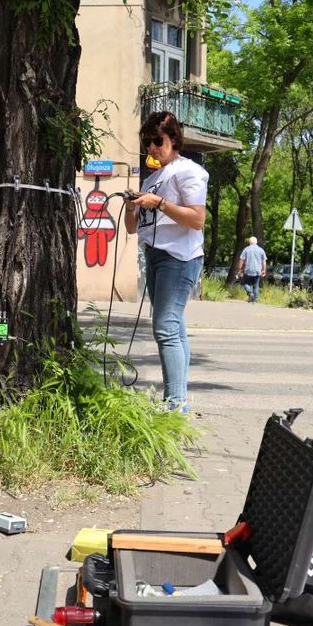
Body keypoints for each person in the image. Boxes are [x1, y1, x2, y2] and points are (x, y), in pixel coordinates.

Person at [124, 112, 208, 413]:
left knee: (165, 327)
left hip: (179, 257)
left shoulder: (189, 171)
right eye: (147, 142)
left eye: (158, 140)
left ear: (174, 140)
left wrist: (159, 202)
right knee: (174, 328)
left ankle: (175, 404)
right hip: (155, 255)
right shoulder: (152, 178)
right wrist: (132, 206)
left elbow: (197, 219)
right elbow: (133, 229)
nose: (152, 148)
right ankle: (179, 400)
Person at [237, 237, 267, 303]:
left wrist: (240, 268)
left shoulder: (246, 249)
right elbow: (264, 261)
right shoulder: (261, 250)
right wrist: (264, 270)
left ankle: (250, 293)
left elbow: (242, 259)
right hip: (257, 271)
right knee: (256, 286)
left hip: (248, 270)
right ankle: (254, 301)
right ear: (256, 242)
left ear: (249, 243)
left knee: (244, 283)